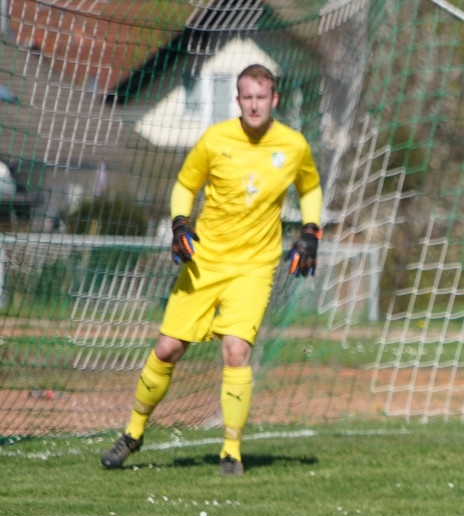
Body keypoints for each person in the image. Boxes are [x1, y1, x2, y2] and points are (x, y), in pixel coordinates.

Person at [100, 64, 323, 476]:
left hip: (254, 268)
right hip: (204, 263)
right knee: (167, 349)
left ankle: (231, 452)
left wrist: (311, 230)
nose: (254, 105)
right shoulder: (215, 139)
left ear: (274, 100)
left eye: (261, 97)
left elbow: (309, 187)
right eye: (247, 97)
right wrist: (179, 224)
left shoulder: (294, 145)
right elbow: (185, 184)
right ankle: (132, 433)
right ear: (237, 100)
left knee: (236, 351)